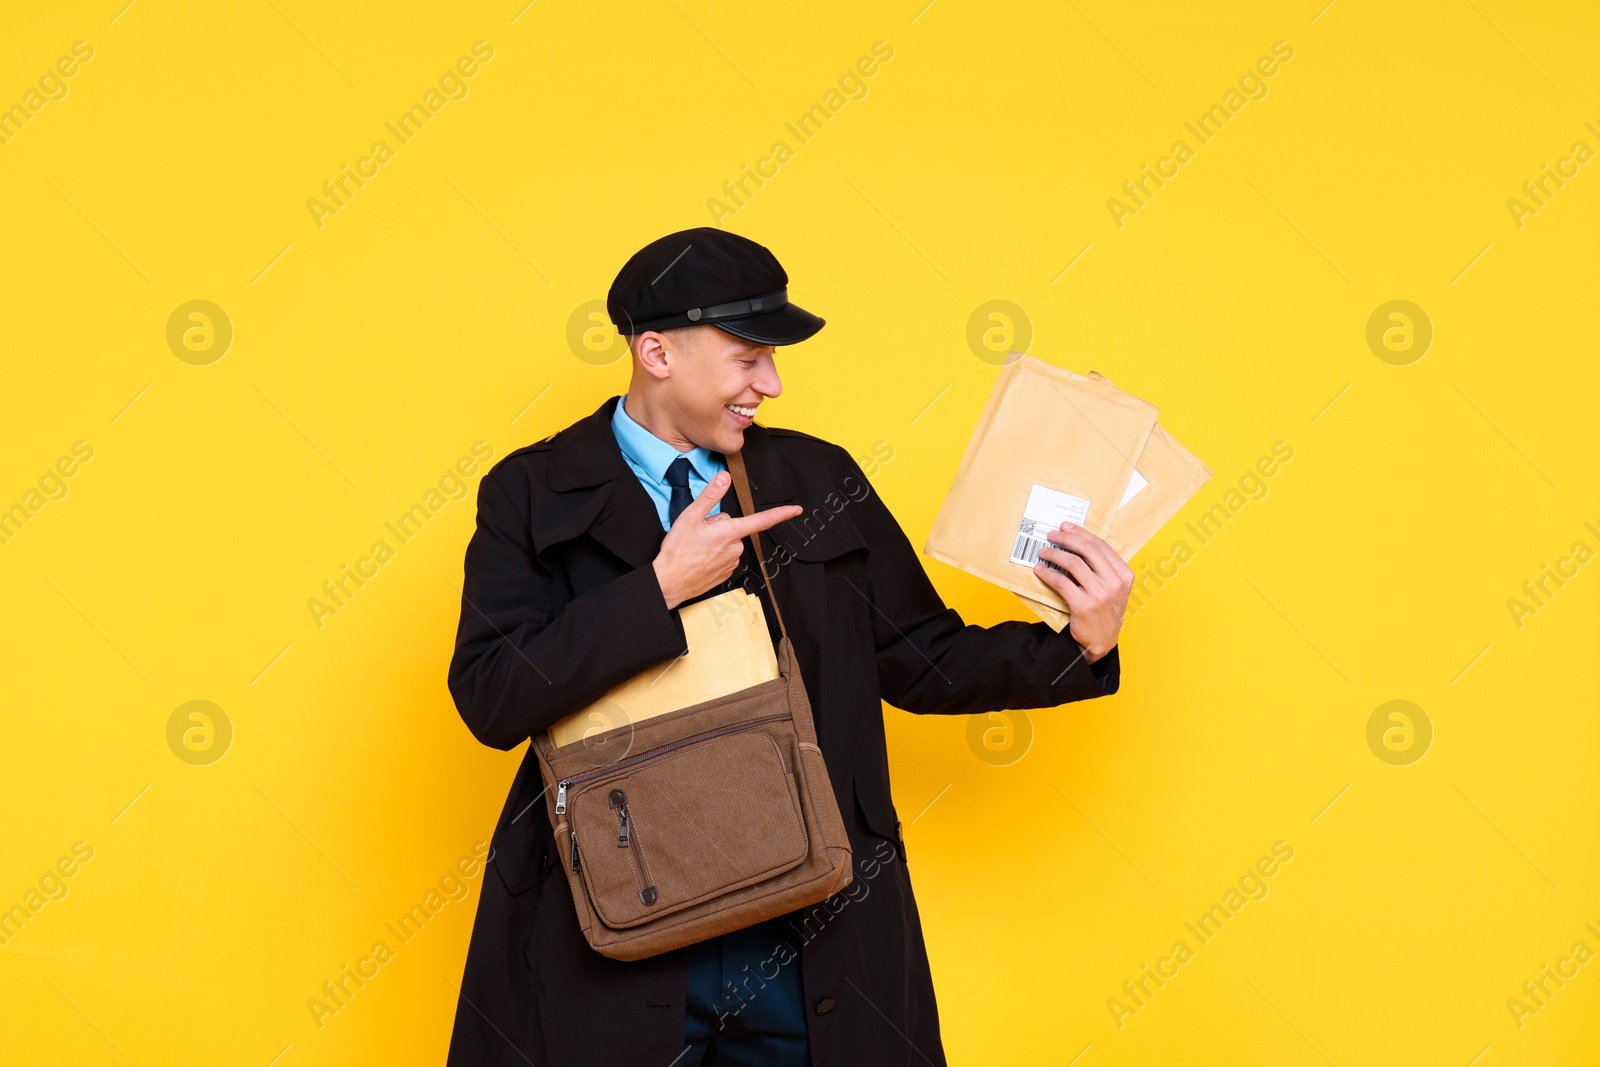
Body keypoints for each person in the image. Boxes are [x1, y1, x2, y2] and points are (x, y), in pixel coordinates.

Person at [444, 227, 1132, 1066]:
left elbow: (921, 655)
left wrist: (1078, 647)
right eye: (747, 358)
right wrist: (657, 589)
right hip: (619, 924)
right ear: (656, 351)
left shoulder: (818, 478)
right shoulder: (529, 488)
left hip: (811, 922)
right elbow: (491, 693)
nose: (769, 383)